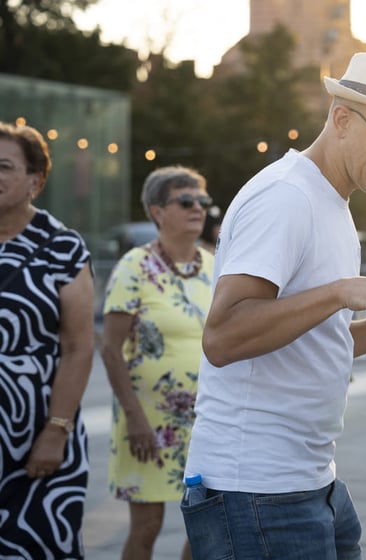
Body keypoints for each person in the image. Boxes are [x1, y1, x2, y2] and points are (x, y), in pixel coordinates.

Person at [180, 52, 366, 559]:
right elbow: (223, 337)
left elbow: (319, 342)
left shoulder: (331, 201)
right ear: (342, 118)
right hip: (257, 488)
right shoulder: (287, 197)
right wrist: (340, 291)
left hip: (305, 480)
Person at [100, 166, 214, 560]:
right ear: (156, 211)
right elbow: (110, 349)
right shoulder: (134, 267)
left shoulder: (216, 267)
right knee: (147, 528)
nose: (197, 208)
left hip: (206, 422)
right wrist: (134, 418)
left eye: (202, 201)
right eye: (185, 201)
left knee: (206, 528)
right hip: (146, 422)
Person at [0, 122, 95, 558]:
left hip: (37, 435)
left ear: (35, 181)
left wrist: (57, 431)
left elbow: (78, 346)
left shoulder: (62, 247)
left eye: (4, 166)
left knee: (34, 545)